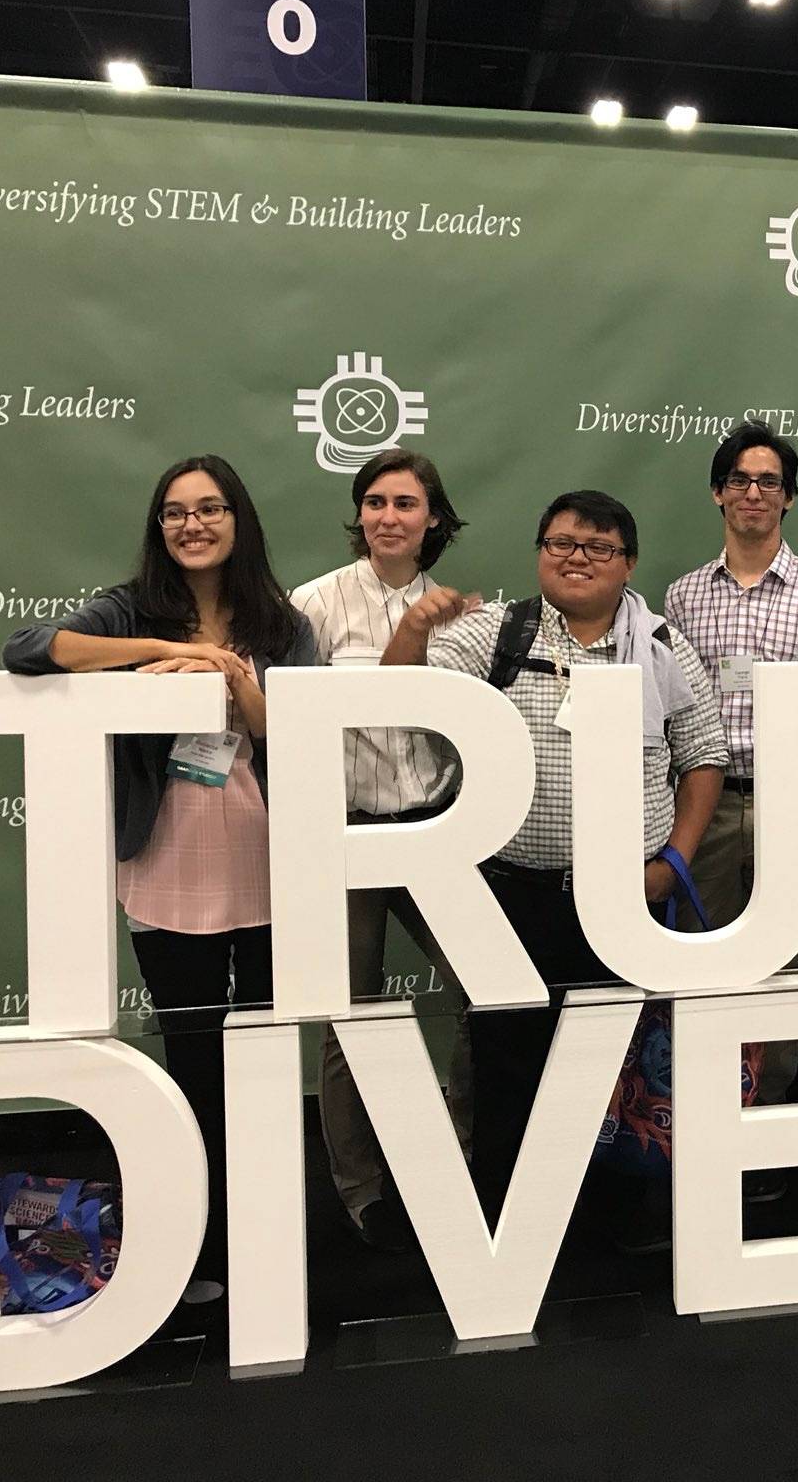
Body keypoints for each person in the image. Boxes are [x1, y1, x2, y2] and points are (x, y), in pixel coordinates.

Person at [2, 455, 317, 1301]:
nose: (193, 524)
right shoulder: (127, 605)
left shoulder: (284, 624)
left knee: (260, 1060)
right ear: (158, 527)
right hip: (167, 860)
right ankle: (191, 1247)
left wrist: (234, 681)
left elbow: (308, 742)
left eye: (211, 509)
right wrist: (165, 650)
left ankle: (266, 1244)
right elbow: (28, 649)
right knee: (191, 1057)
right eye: (176, 512)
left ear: (239, 520)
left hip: (269, 855)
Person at [391, 490, 727, 1241]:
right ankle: (504, 1225)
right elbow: (401, 696)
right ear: (539, 552)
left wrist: (674, 859)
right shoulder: (495, 632)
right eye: (561, 544)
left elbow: (704, 755)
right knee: (506, 1057)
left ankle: (604, 1220)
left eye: (597, 547)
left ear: (629, 563)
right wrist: (414, 626)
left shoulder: (663, 646)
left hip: (623, 895)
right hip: (513, 893)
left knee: (607, 1058)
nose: (577, 558)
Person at [290, 448, 476, 1254]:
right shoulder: (314, 604)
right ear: (358, 514)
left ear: (433, 517)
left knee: (484, 992)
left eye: (405, 503)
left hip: (437, 826)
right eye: (374, 502)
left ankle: (468, 1160)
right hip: (346, 832)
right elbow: (300, 720)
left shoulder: (462, 610)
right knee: (348, 1015)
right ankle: (360, 1191)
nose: (388, 516)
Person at [664, 422, 798, 1152]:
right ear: (719, 493)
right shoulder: (683, 596)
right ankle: (702, 1120)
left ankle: (770, 1119)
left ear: (789, 499)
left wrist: (790, 750)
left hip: (792, 800)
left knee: (783, 962)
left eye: (769, 482)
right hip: (706, 805)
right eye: (741, 480)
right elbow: (676, 704)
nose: (754, 493)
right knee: (703, 955)